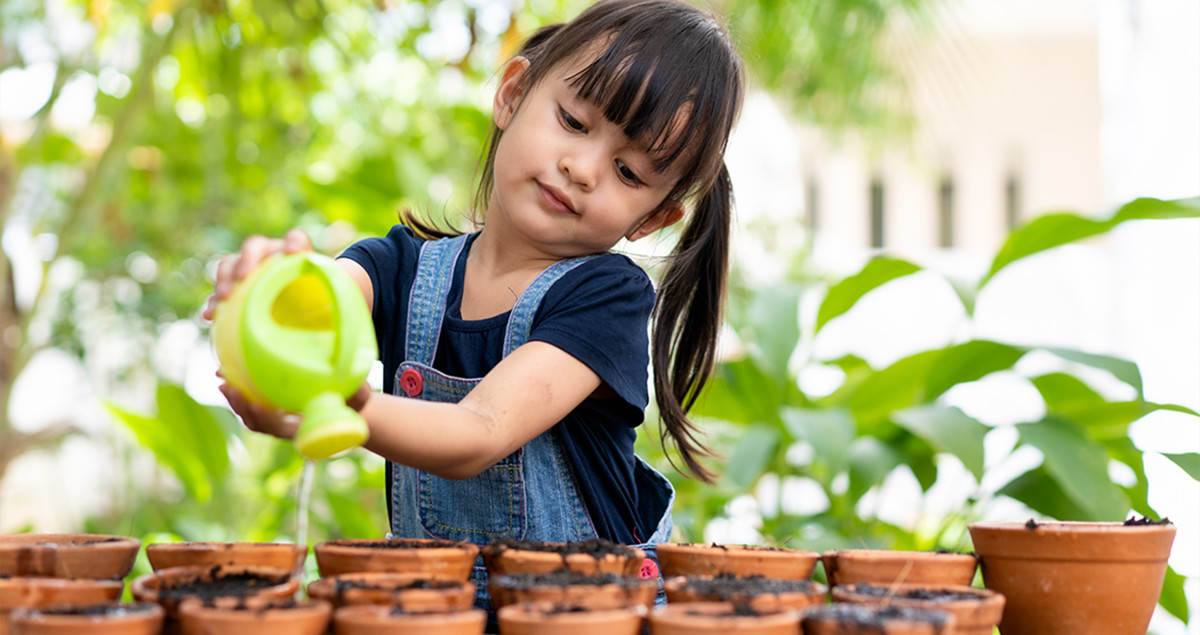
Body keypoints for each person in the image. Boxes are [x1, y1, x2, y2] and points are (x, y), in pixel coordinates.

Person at [204, 0, 744, 615]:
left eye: (627, 171)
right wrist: (263, 285)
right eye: (573, 121)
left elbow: (477, 433)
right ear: (512, 94)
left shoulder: (605, 298)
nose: (583, 168)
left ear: (653, 217)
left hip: (582, 619)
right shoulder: (399, 267)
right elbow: (322, 296)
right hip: (441, 612)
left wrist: (340, 404)